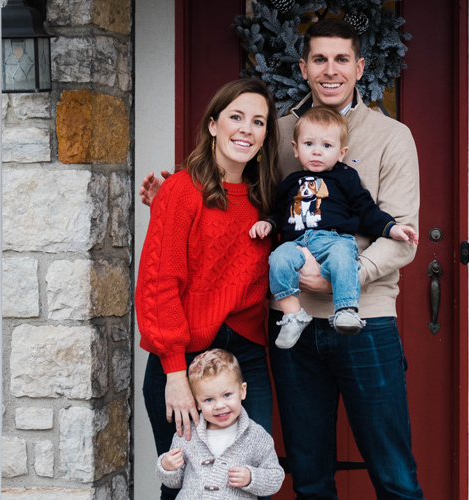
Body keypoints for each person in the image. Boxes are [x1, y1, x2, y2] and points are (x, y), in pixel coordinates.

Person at [141, 18, 424, 500]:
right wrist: (173, 199)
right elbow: (245, 205)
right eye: (319, 59)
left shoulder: (391, 136)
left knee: (394, 473)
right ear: (304, 67)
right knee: (306, 476)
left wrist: (342, 278)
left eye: (341, 59)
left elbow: (402, 236)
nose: (330, 70)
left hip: (364, 320)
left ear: (360, 67)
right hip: (291, 328)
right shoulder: (280, 131)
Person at [136, 78, 281, 500]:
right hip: (184, 358)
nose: (246, 129)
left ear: (265, 135)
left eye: (258, 122)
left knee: (249, 482)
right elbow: (160, 284)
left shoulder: (266, 198)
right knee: (184, 481)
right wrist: (175, 373)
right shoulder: (181, 190)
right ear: (214, 125)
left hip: (246, 357)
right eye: (236, 117)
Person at [250, 106, 418, 348]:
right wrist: (268, 224)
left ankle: (346, 309)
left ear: (342, 152)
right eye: (309, 144)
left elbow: (366, 210)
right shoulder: (289, 183)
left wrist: (392, 228)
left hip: (333, 239)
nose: (317, 151)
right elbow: (280, 213)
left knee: (343, 258)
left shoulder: (346, 177)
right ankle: (293, 315)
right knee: (278, 259)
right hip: (296, 243)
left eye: (327, 146)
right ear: (295, 149)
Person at [157, 349, 284, 499]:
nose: (219, 406)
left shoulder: (256, 436)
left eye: (227, 395)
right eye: (208, 399)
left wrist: (251, 477)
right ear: (197, 403)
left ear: (242, 391)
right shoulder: (187, 435)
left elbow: (275, 477)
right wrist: (167, 467)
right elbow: (175, 482)